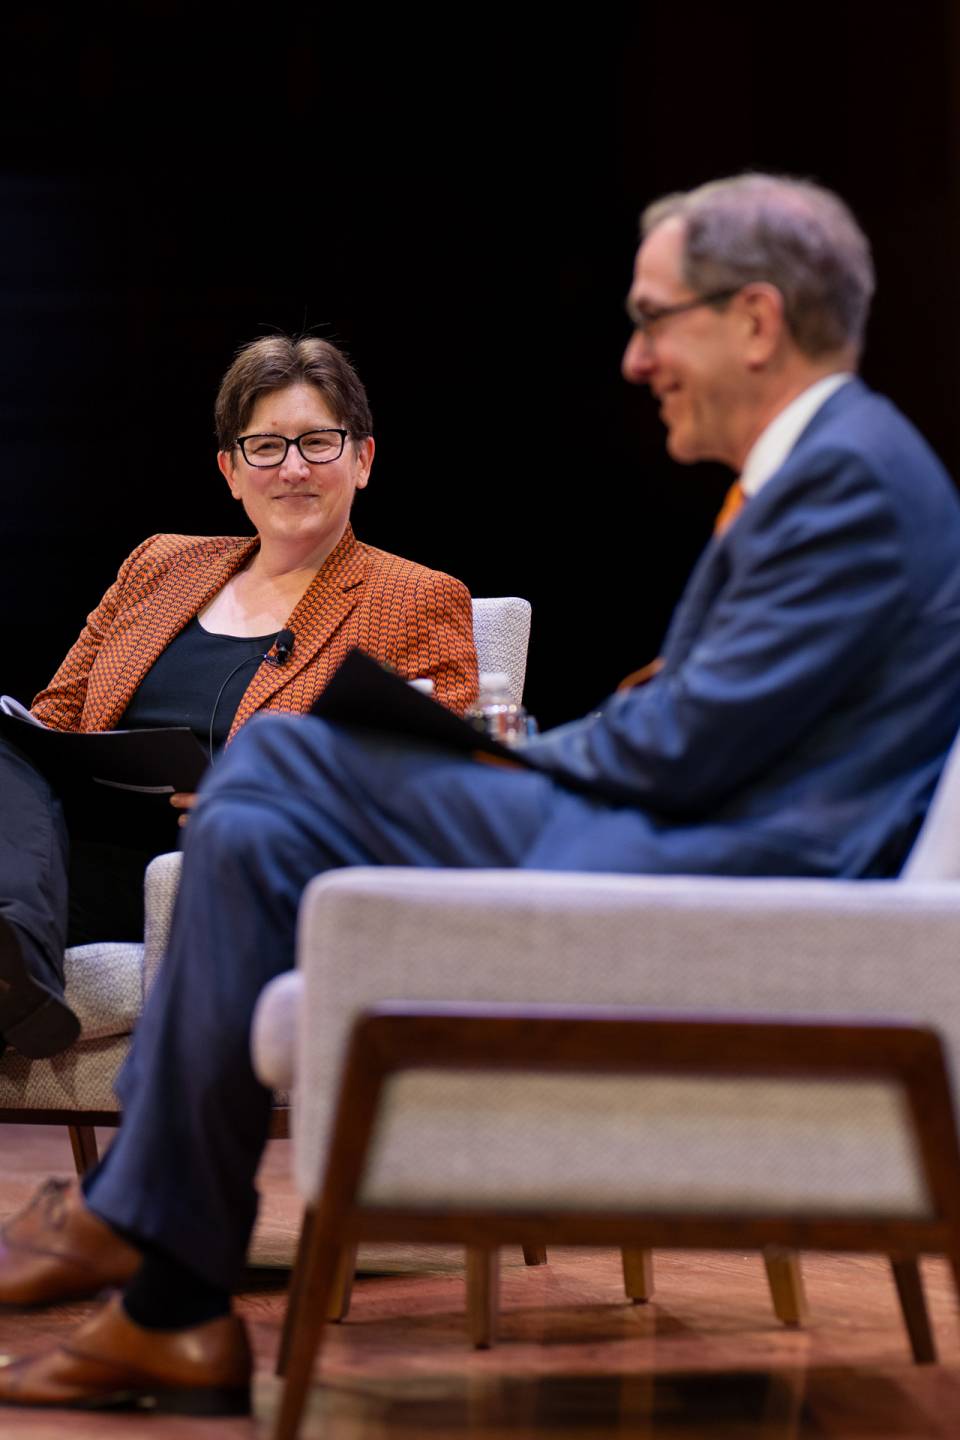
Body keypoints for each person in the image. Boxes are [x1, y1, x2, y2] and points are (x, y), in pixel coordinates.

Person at [2, 172, 960, 1414]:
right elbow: (713, 723)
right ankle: (171, 1296)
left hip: (713, 869)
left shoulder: (849, 480)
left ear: (757, 320)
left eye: (654, 318)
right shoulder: (840, 467)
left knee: (276, 770)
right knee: (273, 785)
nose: (636, 359)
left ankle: (152, 1248)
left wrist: (512, 755)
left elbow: (690, 748)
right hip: (688, 829)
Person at [0, 334, 477, 1062]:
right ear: (230, 470)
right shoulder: (159, 565)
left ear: (362, 459)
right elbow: (52, 721)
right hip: (69, 853)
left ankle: (13, 963)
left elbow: (439, 790)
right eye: (265, 447)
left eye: (318, 442)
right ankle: (16, 962)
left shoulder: (413, 599)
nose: (292, 468)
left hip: (221, 870)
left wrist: (267, 794)